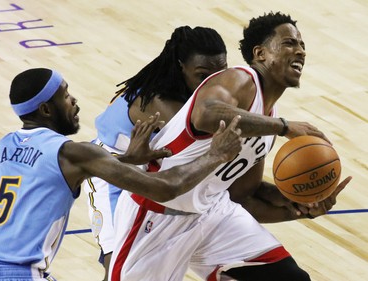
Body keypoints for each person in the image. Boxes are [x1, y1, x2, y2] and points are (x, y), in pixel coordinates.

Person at [108, 12, 352, 281]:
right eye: (289, 43)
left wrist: (299, 205)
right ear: (260, 54)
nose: (300, 51)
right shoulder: (240, 80)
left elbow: (242, 196)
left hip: (213, 214)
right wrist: (284, 127)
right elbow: (206, 114)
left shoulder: (267, 119)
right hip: (156, 213)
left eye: (302, 45)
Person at [0, 67, 243, 280]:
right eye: (66, 95)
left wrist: (126, 160)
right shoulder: (72, 153)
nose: (74, 101)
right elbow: (166, 188)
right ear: (46, 110)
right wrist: (216, 155)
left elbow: (50, 171)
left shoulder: (2, 146)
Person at [83, 25, 228, 279]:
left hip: (148, 172)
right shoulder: (160, 102)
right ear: (181, 65)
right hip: (111, 172)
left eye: (220, 74)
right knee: (117, 262)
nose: (212, 83)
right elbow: (205, 150)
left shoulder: (191, 91)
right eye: (203, 74)